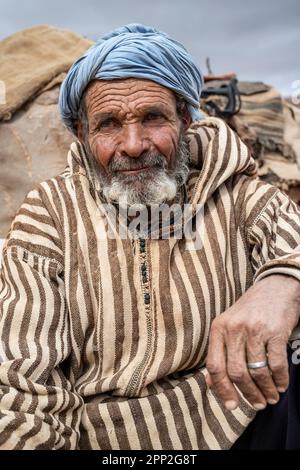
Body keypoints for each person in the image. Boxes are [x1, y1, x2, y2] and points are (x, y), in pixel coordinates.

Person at [0, 23, 299, 450]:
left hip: (239, 417)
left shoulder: (233, 190)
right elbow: (21, 382)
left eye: (153, 117)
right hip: (108, 439)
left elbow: (289, 232)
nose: (134, 144)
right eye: (108, 124)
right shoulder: (50, 215)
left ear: (185, 119)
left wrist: (280, 286)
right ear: (82, 135)